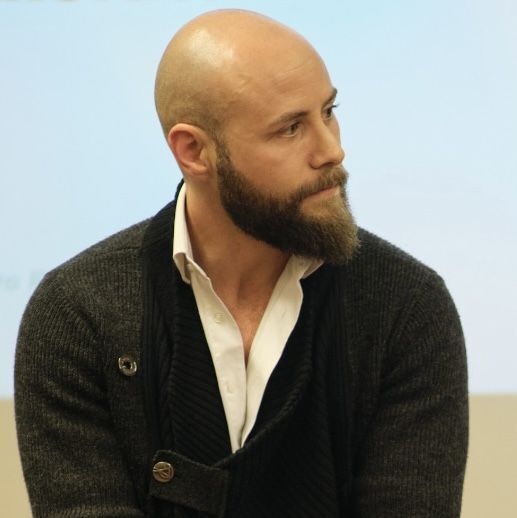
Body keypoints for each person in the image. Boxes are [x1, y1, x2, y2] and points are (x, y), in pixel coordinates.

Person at [15, 9, 468, 518]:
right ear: (194, 151)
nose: (332, 150)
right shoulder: (80, 314)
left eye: (329, 111)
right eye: (291, 129)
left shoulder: (406, 305)